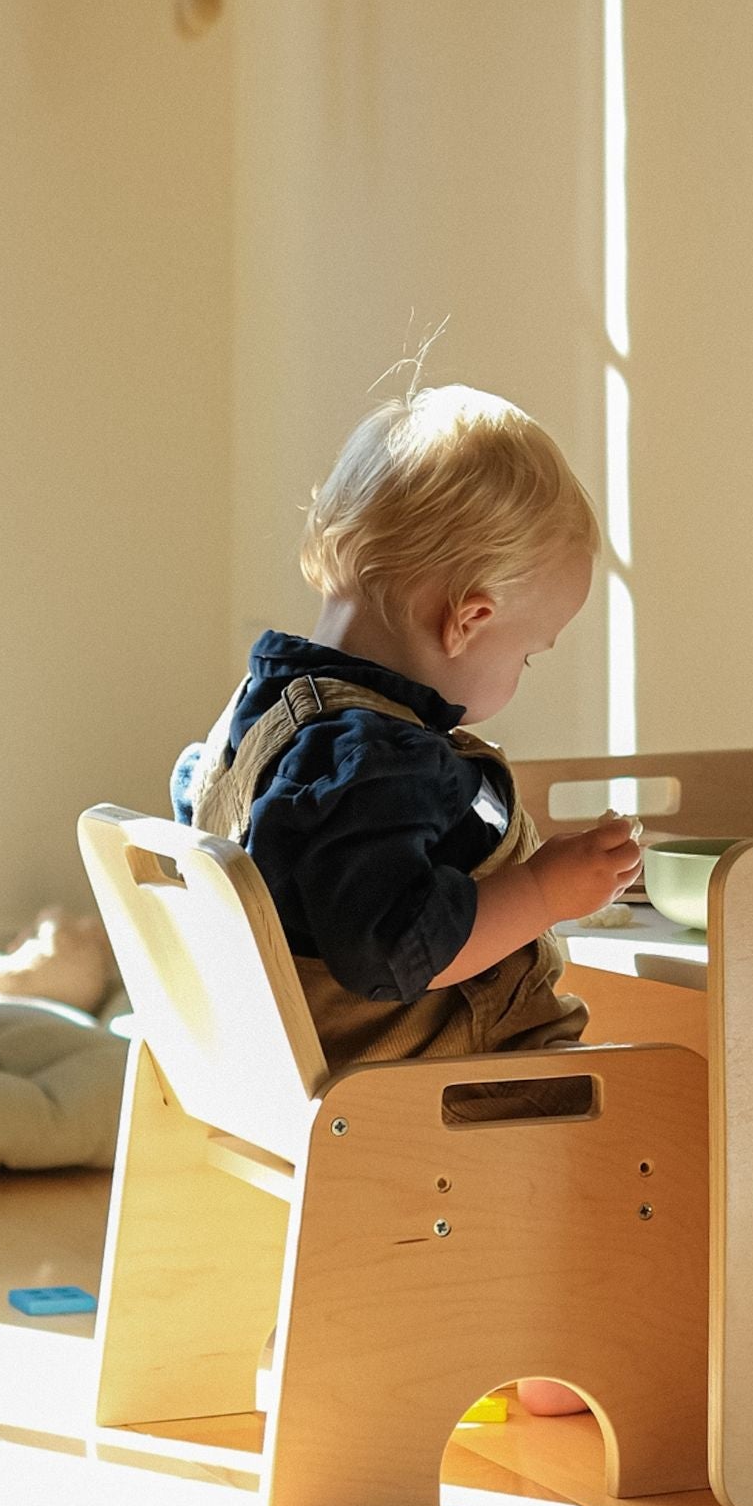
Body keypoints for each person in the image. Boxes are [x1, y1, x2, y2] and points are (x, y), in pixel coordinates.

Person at [172, 378, 640, 1413]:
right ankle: (556, 1362)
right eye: (528, 648)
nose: (521, 668)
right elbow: (400, 949)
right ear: (468, 617)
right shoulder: (379, 759)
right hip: (405, 1075)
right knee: (635, 1120)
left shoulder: (263, 711)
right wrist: (547, 888)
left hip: (271, 1066)